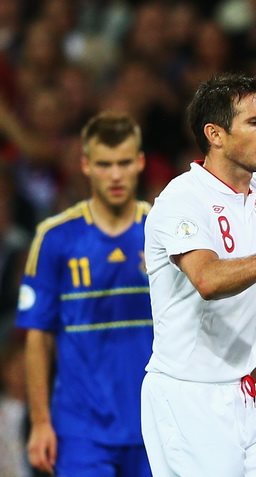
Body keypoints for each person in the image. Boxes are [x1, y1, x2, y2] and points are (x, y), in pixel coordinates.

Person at [141, 72, 256, 477]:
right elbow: (207, 279)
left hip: (243, 390)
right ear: (215, 135)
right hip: (188, 395)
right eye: (255, 122)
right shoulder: (181, 199)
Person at [16, 112, 153, 476]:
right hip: (80, 431)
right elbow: (37, 336)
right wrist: (40, 422)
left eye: (124, 162)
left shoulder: (163, 232)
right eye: (105, 164)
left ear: (140, 162)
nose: (115, 175)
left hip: (156, 423)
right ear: (86, 166)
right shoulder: (55, 238)